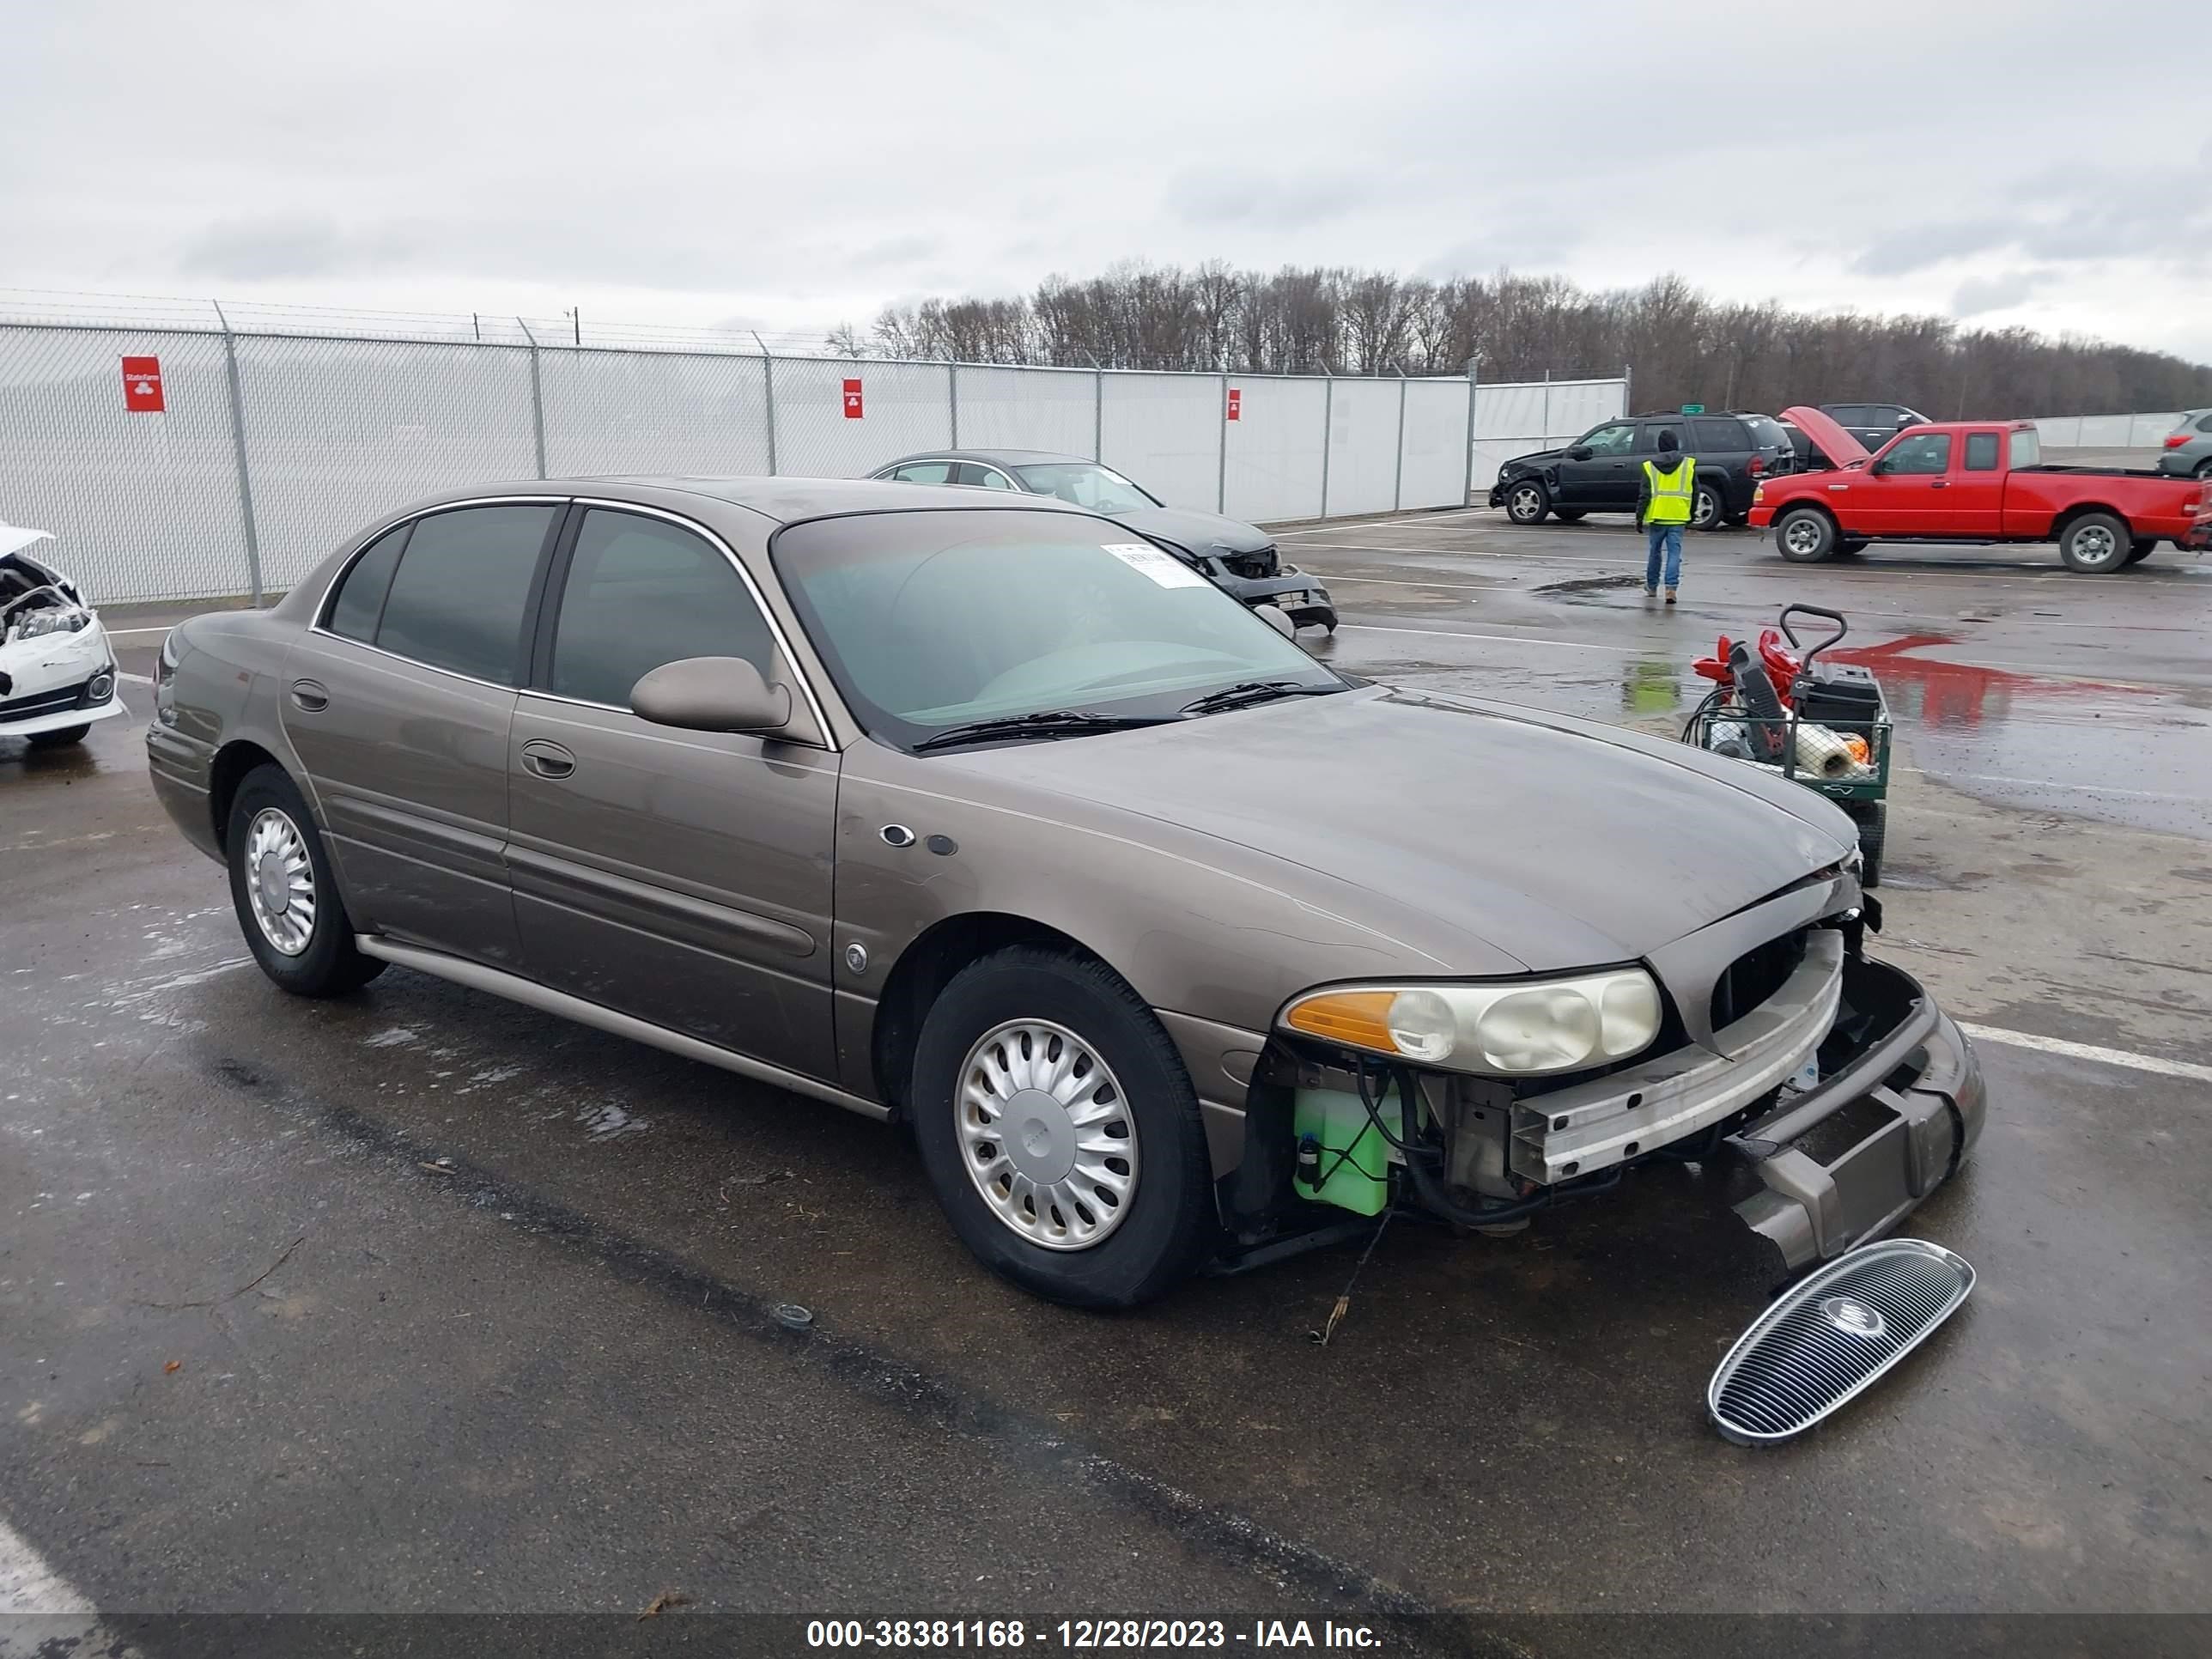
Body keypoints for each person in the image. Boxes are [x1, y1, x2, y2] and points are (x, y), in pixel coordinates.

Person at [1637, 431, 1696, 605]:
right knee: (1674, 553)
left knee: (1655, 553)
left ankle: (1652, 586)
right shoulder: (1688, 465)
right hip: (1678, 516)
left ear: (1660, 446)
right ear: (1677, 444)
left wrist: (1639, 517)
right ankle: (1671, 588)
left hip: (1657, 516)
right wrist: (1691, 514)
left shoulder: (1649, 466)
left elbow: (1644, 494)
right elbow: (1696, 491)